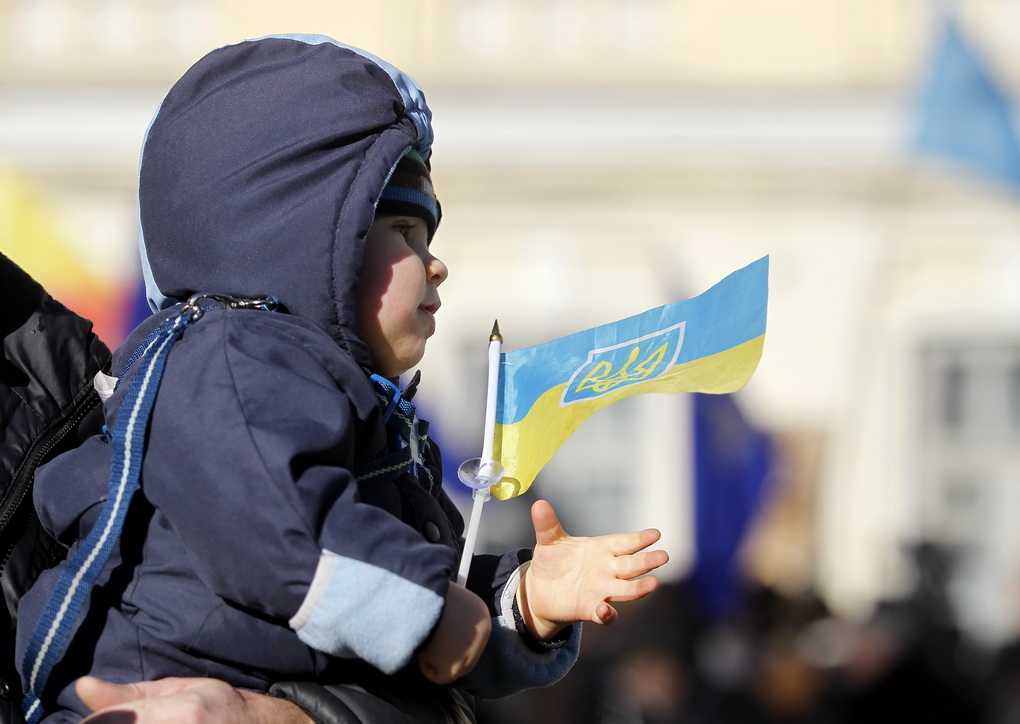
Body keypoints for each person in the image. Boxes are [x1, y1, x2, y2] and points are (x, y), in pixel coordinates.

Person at [15, 35, 668, 723]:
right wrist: (431, 614)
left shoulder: (342, 398)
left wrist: (522, 600)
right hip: (153, 687)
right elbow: (274, 526)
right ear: (306, 241)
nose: (436, 264)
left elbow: (397, 590)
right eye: (405, 232)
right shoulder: (235, 356)